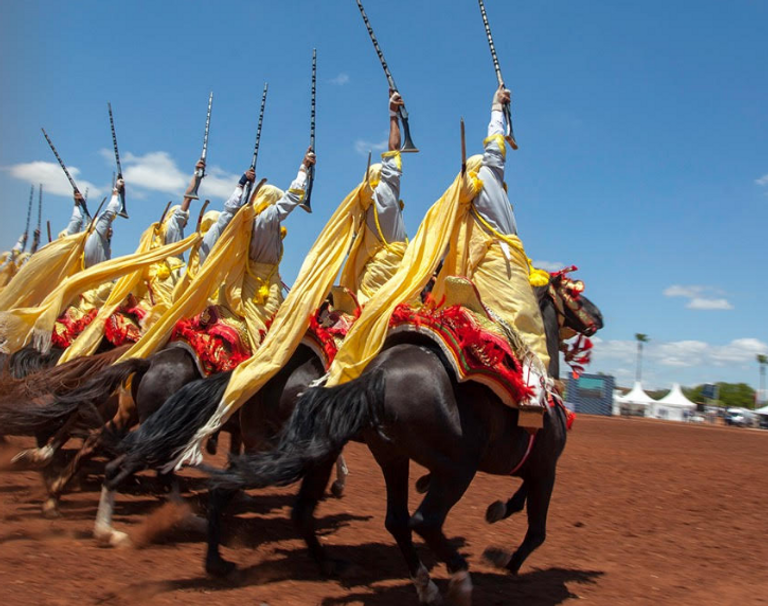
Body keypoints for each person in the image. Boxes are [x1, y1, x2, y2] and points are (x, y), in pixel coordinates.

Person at [448, 85, 551, 405]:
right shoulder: (487, 181)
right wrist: (497, 110)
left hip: (480, 272)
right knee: (529, 328)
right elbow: (495, 149)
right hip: (502, 269)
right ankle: (534, 395)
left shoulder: (465, 201)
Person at [340, 90, 408, 306]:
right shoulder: (387, 192)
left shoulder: (360, 208)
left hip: (370, 281)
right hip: (398, 278)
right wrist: (393, 115)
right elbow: (394, 148)